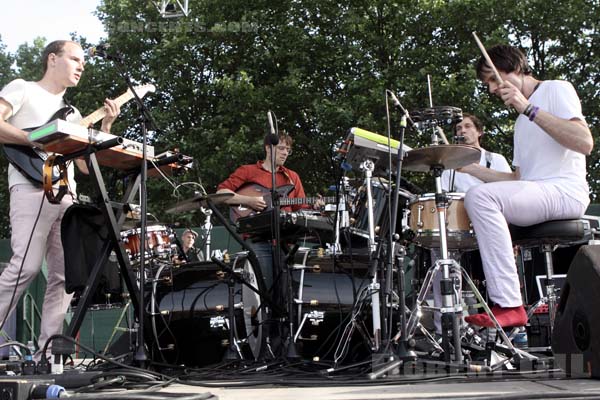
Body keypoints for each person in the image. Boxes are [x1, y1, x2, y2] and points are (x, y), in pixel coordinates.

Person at [0, 40, 121, 357]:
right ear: (52, 59)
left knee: (65, 277)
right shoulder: (22, 88)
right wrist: (33, 138)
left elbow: (82, 165)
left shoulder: (75, 114)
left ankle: (49, 355)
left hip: (66, 196)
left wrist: (106, 126)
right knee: (25, 267)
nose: (82, 66)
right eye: (75, 59)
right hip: (30, 188)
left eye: (83, 61)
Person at [459, 44, 592, 328]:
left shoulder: (556, 89)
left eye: (494, 79)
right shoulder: (520, 124)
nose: (492, 89)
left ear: (515, 67)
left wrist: (529, 108)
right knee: (479, 197)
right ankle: (507, 303)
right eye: (487, 84)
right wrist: (467, 166)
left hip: (565, 190)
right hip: (537, 192)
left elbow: (584, 142)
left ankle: (509, 304)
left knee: (479, 198)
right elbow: (517, 181)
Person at [431, 114, 512, 334]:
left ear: (479, 132)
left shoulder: (495, 159)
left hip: (489, 227)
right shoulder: (448, 168)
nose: (462, 130)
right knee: (439, 252)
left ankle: (500, 327)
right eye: (459, 127)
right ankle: (447, 330)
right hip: (459, 228)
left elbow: (511, 188)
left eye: (468, 126)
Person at [216, 132, 319, 290]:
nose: (285, 153)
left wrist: (314, 207)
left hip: (285, 241)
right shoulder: (248, 171)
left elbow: (301, 209)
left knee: (287, 291)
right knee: (264, 288)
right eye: (281, 148)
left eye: (288, 150)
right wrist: (249, 201)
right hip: (257, 238)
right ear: (268, 148)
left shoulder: (292, 177)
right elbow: (220, 194)